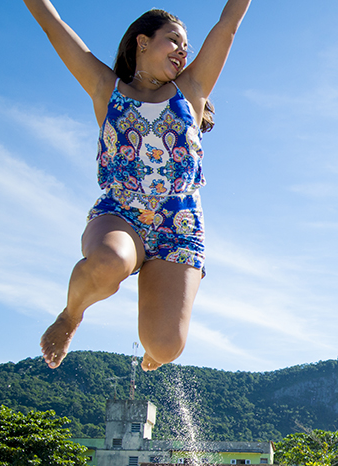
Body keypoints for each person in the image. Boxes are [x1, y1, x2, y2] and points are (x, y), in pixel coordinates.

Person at [24, 0, 251, 371]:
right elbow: (53, 24)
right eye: (173, 40)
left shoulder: (191, 89)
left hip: (177, 226)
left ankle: (156, 347)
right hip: (120, 213)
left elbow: (228, 24)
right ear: (142, 42)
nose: (182, 51)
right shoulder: (105, 87)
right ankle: (70, 315)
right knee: (110, 262)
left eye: (186, 47)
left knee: (165, 347)